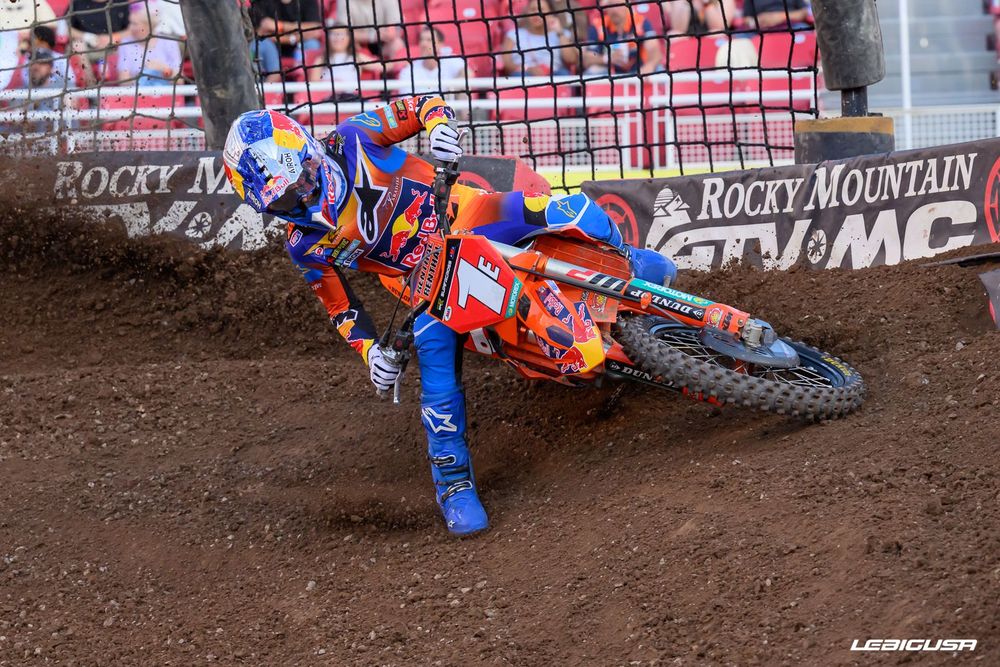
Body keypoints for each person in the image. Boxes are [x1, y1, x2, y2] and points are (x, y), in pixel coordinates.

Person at [222, 101, 676, 535]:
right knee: (435, 371)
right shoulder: (303, 245)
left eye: (301, 179)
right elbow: (341, 307)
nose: (302, 197)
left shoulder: (354, 137)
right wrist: (371, 353)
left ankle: (629, 264)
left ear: (308, 150)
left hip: (467, 213)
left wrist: (440, 126)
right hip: (422, 282)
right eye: (284, 200)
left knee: (568, 211)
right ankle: (454, 485)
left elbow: (422, 105)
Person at [583, 0, 663, 75]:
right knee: (591, 72)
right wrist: (607, 59)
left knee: (658, 69)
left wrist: (650, 65)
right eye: (610, 5)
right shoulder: (597, 26)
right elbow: (587, 59)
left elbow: (655, 50)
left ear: (627, 6)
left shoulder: (640, 22)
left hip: (638, 71)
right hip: (610, 74)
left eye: (618, 5)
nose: (614, 10)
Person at [501, 0, 578, 76]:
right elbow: (506, 63)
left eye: (541, 9)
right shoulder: (514, 35)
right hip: (524, 75)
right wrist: (527, 69)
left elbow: (571, 59)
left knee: (563, 73)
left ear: (550, 13)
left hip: (554, 75)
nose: (536, 13)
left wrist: (560, 32)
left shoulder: (562, 34)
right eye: (533, 9)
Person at [307, 23, 382, 99]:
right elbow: (314, 84)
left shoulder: (357, 57)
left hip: (351, 97)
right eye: (333, 34)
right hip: (328, 97)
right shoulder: (321, 59)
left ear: (349, 38)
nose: (338, 38)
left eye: (342, 34)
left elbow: (381, 66)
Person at [115, 7, 181, 85]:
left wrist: (164, 70)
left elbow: (180, 81)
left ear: (148, 25)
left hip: (166, 91)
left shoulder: (169, 42)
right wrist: (141, 78)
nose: (130, 28)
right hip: (138, 91)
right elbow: (123, 82)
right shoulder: (126, 44)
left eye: (134, 24)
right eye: (130, 23)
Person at [396, 25, 468, 95]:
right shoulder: (409, 70)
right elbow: (407, 99)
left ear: (440, 44)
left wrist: (451, 90)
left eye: (429, 40)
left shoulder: (451, 60)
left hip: (448, 102)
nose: (423, 44)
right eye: (421, 40)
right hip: (423, 103)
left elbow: (468, 73)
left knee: (464, 90)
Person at [249, 0, 324, 61]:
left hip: (298, 47)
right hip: (273, 48)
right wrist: (298, 29)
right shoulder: (263, 2)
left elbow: (315, 30)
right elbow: (262, 32)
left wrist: (280, 26)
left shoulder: (308, 1)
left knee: (312, 44)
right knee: (260, 45)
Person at [667, 0, 736, 35]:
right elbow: (678, 28)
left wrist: (707, 3)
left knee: (716, 33)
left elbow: (719, 27)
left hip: (711, 35)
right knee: (673, 34)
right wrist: (685, 3)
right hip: (688, 36)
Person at [741, 0, 811, 31]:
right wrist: (755, 22)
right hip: (761, 29)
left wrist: (780, 17)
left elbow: (804, 12)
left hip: (792, 26)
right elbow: (746, 18)